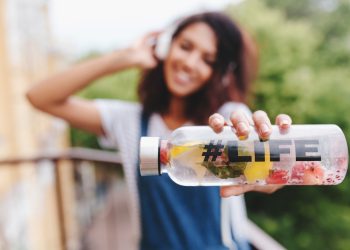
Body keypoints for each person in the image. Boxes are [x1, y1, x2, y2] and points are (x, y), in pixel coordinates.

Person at [26, 12, 291, 250]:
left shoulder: (224, 120)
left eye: (207, 60)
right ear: (166, 46)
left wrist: (268, 167)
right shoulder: (128, 121)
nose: (189, 62)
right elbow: (40, 97)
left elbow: (257, 148)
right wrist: (123, 58)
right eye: (185, 47)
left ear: (218, 73)